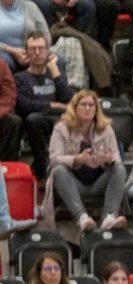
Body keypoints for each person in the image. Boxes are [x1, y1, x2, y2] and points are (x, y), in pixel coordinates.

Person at [46, 88, 125, 230]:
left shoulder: (106, 128)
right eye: (83, 104)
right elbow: (54, 158)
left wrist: (108, 160)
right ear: (74, 108)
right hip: (73, 184)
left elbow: (116, 157)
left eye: (91, 105)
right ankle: (82, 217)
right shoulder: (61, 128)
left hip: (98, 182)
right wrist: (79, 159)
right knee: (58, 170)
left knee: (119, 168)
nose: (88, 108)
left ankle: (109, 217)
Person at [14, 32, 69, 177]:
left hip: (59, 119)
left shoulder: (55, 74)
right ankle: (42, 169)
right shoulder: (20, 77)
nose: (37, 52)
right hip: (38, 122)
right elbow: (24, 105)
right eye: (33, 49)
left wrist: (55, 72)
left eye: (41, 48)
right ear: (26, 52)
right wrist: (52, 105)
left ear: (47, 51)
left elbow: (68, 99)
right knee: (33, 119)